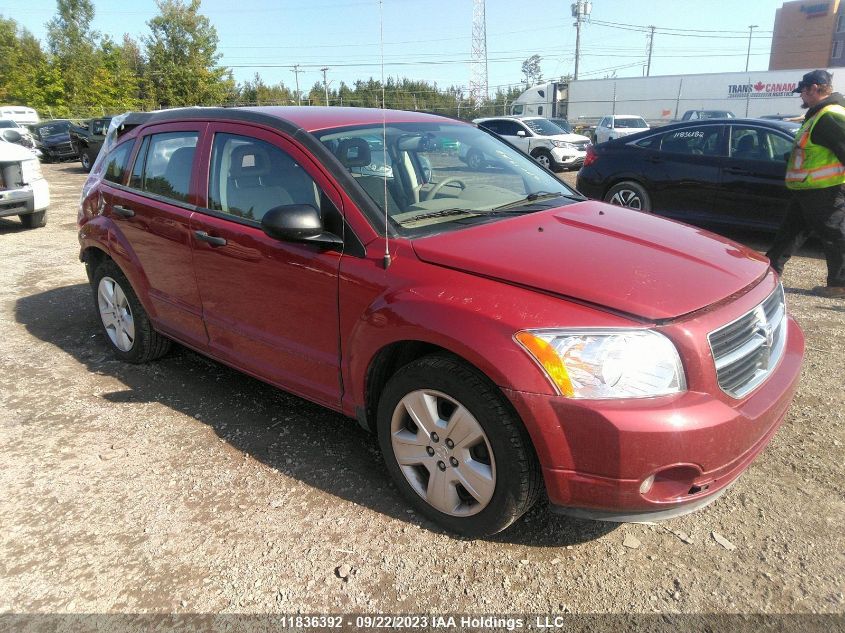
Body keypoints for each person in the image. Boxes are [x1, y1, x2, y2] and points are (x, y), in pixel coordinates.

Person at [766, 69, 845, 298]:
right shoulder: (817, 114)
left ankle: (840, 283)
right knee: (789, 233)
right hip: (808, 188)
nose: (800, 96)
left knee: (835, 234)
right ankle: (769, 272)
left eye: (802, 91)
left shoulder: (830, 115)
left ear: (813, 88)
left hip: (825, 190)